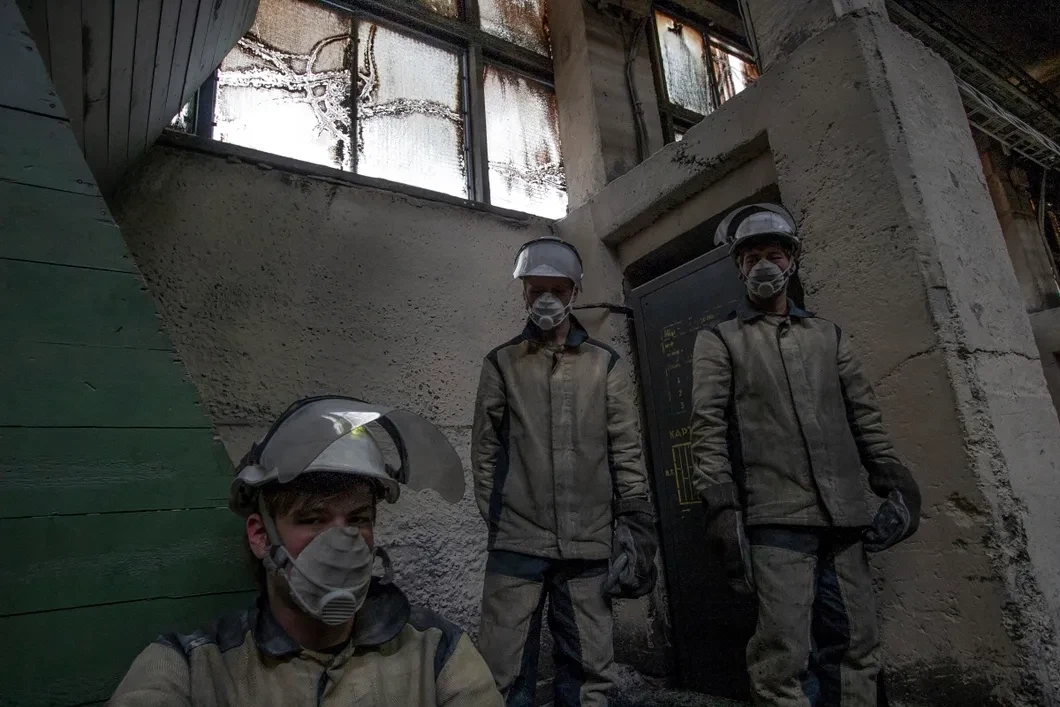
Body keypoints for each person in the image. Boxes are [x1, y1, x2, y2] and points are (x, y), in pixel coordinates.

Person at [109, 396, 504, 707]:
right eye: (313, 519)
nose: (342, 539)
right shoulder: (192, 669)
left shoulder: (436, 656)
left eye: (358, 518)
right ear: (261, 536)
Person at [689, 204, 922, 707]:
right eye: (751, 257)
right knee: (782, 658)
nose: (763, 265)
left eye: (774, 255)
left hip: (844, 519)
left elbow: (865, 416)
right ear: (739, 268)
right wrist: (722, 507)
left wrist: (895, 481)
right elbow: (707, 429)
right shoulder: (720, 339)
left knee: (857, 648)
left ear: (792, 261)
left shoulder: (828, 336)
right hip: (775, 520)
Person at [471, 236, 658, 707]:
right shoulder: (501, 363)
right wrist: (501, 518)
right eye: (537, 290)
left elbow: (626, 449)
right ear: (524, 293)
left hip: (588, 541)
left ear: (575, 292)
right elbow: (485, 452)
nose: (547, 300)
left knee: (590, 673)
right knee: (502, 672)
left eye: (557, 290)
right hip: (517, 542)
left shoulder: (604, 364)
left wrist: (634, 520)